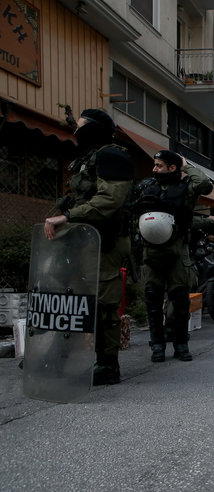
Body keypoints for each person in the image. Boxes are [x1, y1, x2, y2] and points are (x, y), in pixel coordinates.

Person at [44, 108, 134, 386]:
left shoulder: (112, 155)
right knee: (69, 299)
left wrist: (68, 217)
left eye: (81, 126)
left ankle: (108, 366)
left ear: (94, 129)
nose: (76, 131)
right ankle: (58, 356)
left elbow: (110, 199)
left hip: (105, 241)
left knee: (105, 305)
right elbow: (78, 199)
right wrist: (59, 214)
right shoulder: (88, 159)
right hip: (82, 241)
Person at [133, 150, 212, 363]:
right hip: (151, 252)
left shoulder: (186, 188)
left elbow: (204, 183)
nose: (154, 169)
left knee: (179, 301)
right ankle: (157, 346)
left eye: (159, 165)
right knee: (153, 300)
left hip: (178, 251)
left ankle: (181, 344)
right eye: (154, 165)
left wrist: (187, 166)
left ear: (173, 167)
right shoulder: (147, 187)